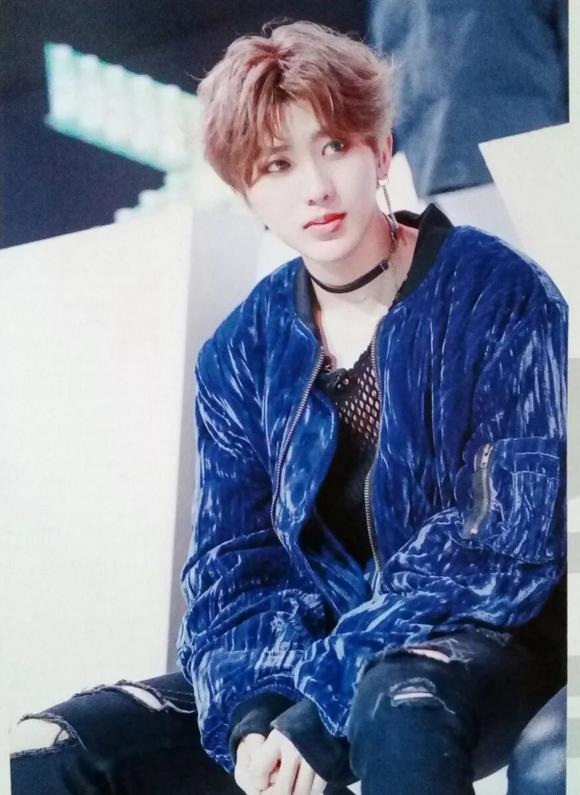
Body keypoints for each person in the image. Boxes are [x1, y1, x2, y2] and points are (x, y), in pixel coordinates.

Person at [10, 20, 567, 795]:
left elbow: (500, 540)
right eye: (278, 163)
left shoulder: (494, 290)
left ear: (380, 149)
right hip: (310, 658)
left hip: (488, 638)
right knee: (55, 748)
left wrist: (326, 699)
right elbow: (231, 566)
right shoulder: (243, 350)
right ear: (246, 190)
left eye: (334, 146)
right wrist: (256, 711)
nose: (315, 186)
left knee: (394, 701)